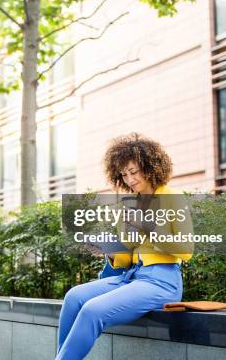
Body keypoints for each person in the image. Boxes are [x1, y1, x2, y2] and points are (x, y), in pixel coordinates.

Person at [56, 133, 193, 360]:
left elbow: (186, 250)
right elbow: (128, 253)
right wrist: (108, 251)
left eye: (133, 171)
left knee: (92, 311)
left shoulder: (171, 197)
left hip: (162, 281)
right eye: (124, 174)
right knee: (73, 297)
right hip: (131, 277)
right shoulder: (129, 203)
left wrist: (147, 227)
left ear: (149, 166)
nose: (129, 179)